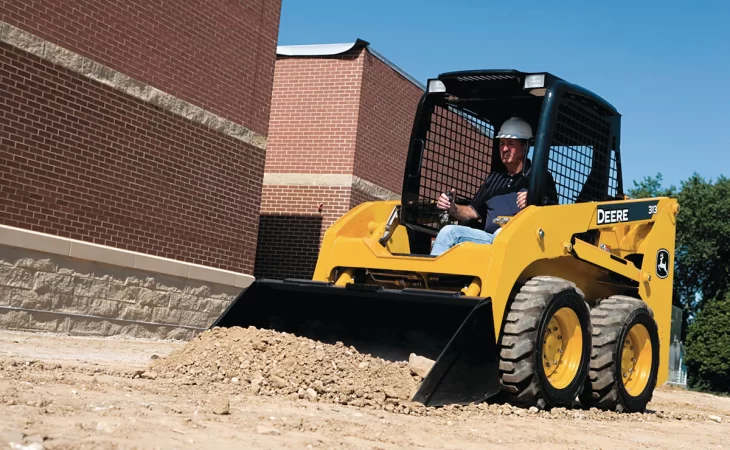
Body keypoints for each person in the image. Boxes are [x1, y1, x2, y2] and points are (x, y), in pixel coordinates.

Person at [430, 116, 557, 256]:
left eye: (511, 143)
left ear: (525, 146)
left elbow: (553, 213)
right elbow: (473, 211)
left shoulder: (540, 177)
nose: (504, 148)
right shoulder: (495, 179)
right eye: (502, 143)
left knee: (501, 234)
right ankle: (432, 276)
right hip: (489, 239)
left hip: (522, 245)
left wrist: (533, 199)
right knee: (449, 232)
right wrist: (452, 207)